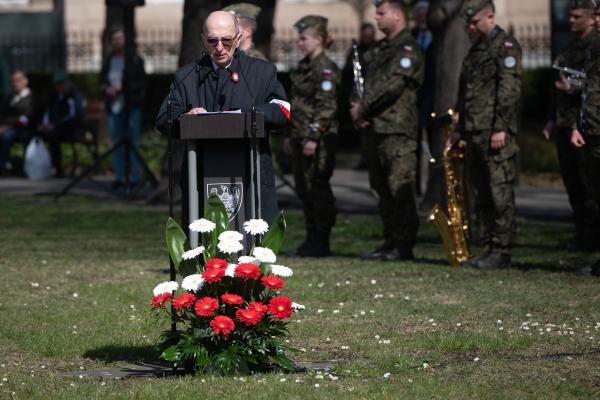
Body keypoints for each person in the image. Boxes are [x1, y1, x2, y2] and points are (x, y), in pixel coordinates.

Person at [155, 10, 290, 226]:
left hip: (250, 175)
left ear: (238, 39)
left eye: (226, 40)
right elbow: (164, 117)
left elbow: (282, 110)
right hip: (202, 175)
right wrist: (185, 118)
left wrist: (249, 114)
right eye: (212, 40)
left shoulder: (261, 72)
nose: (219, 47)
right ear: (203, 40)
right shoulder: (187, 76)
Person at [350, 0, 424, 262]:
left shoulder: (408, 49)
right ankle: (390, 240)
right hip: (375, 129)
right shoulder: (379, 49)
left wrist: (363, 108)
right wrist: (355, 106)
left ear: (397, 16)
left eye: (381, 14)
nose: (377, 18)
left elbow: (391, 86)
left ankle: (404, 245)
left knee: (398, 188)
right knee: (380, 189)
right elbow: (361, 82)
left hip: (397, 131)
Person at [450, 0, 522, 269]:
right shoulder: (475, 52)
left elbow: (509, 90)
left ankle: (502, 250)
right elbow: (465, 93)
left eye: (474, 22)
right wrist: (459, 128)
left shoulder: (505, 47)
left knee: (498, 191)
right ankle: (488, 246)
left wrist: (500, 127)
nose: (470, 27)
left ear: (490, 17)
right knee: (480, 191)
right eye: (467, 23)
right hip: (474, 132)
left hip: (494, 132)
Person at [543, 0, 599, 251]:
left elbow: (591, 87)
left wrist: (573, 87)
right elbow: (555, 89)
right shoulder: (569, 49)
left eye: (577, 16)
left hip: (588, 127)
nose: (571, 20)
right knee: (574, 184)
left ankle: (591, 238)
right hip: (569, 124)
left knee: (590, 189)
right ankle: (582, 236)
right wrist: (551, 119)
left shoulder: (594, 47)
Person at [284, 15, 340, 257]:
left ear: (318, 39)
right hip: (300, 135)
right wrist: (291, 134)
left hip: (318, 140)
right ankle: (311, 238)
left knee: (318, 187)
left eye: (304, 38)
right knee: (304, 189)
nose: (300, 43)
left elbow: (327, 107)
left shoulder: (325, 68)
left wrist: (314, 137)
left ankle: (321, 239)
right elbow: (296, 104)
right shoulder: (304, 66)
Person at [571, 1, 600, 274]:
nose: (598, 21)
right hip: (591, 132)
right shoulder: (594, 51)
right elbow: (587, 94)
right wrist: (577, 126)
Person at [99, 28, 147, 190]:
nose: (117, 42)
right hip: (114, 106)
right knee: (117, 141)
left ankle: (134, 177)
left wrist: (124, 88)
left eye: (120, 39)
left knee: (133, 141)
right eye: (114, 39)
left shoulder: (135, 60)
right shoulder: (110, 60)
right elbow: (102, 80)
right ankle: (119, 177)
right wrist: (108, 89)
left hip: (131, 106)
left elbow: (142, 83)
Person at [38, 71, 85, 177]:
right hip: (56, 127)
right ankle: (46, 167)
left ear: (69, 83)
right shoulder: (54, 96)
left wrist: (55, 125)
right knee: (36, 133)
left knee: (53, 135)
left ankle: (57, 168)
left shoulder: (74, 96)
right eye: (58, 84)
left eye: (62, 83)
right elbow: (48, 112)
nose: (60, 86)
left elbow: (74, 116)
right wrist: (44, 124)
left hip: (73, 128)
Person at [0, 70, 34, 174]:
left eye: (18, 80)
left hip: (23, 128)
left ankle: (3, 166)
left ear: (25, 81)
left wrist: (6, 126)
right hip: (6, 127)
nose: (15, 83)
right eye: (13, 81)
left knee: (6, 136)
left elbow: (26, 117)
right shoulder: (9, 97)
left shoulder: (31, 98)